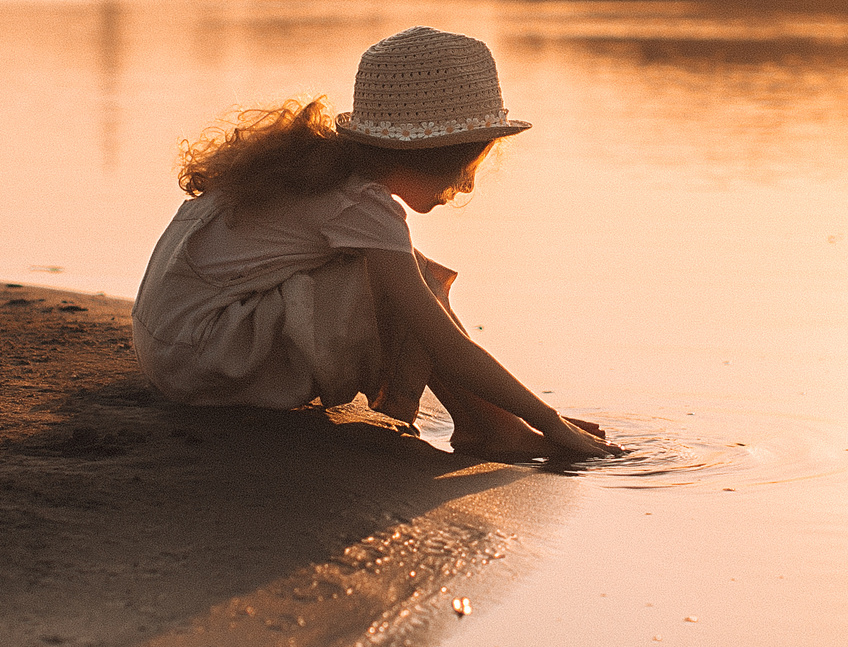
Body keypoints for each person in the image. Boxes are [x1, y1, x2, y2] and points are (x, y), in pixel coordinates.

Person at [132, 26, 617, 460]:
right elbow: (444, 343)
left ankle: (489, 424)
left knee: (408, 270)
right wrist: (549, 419)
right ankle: (492, 427)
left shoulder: (318, 168)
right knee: (408, 288)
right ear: (437, 156)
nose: (466, 187)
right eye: (467, 166)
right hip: (200, 358)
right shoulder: (361, 205)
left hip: (168, 341)